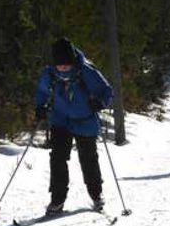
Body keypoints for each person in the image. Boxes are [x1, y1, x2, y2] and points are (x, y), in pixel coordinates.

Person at [34, 37, 113, 215]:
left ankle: (96, 194)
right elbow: (42, 91)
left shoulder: (85, 70)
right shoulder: (49, 73)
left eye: (66, 64)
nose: (63, 68)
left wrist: (99, 102)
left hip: (85, 119)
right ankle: (57, 200)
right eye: (59, 64)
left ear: (72, 61)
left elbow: (106, 90)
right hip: (60, 119)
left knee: (88, 158)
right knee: (58, 159)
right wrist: (40, 106)